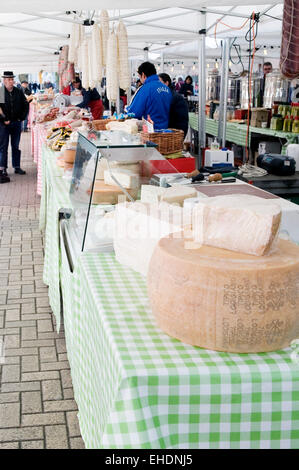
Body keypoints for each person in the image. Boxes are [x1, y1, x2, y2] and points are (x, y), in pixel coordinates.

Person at [0, 71, 29, 182]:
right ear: (4, 81)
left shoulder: (18, 91)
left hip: (16, 123)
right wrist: (4, 119)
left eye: (12, 79)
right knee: (3, 147)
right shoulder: (1, 92)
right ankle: (3, 169)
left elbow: (25, 104)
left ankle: (17, 167)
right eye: (9, 80)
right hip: (4, 124)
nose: (11, 81)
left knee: (15, 146)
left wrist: (21, 118)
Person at [126, 62, 172, 130]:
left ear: (143, 75)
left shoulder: (145, 89)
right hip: (165, 131)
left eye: (139, 77)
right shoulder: (167, 89)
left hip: (151, 131)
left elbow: (134, 113)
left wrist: (127, 109)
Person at [158, 73, 189, 137]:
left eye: (159, 83)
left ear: (166, 83)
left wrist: (179, 137)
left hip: (172, 136)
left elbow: (182, 122)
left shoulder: (176, 98)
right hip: (163, 135)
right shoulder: (162, 96)